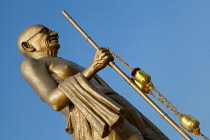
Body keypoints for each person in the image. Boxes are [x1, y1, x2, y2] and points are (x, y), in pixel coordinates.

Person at [18, 24, 169, 140]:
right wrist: (93, 68)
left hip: (115, 105)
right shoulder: (31, 64)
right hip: (95, 115)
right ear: (28, 45)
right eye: (45, 31)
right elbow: (54, 101)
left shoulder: (63, 61)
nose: (54, 33)